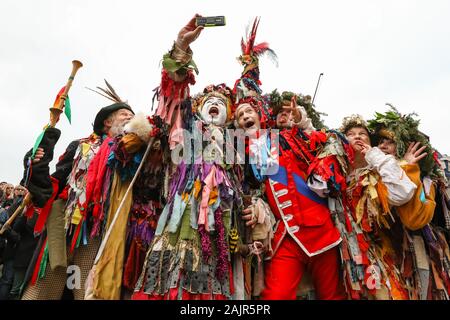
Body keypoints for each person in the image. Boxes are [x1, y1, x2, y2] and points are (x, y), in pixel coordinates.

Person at [20, 93, 135, 300]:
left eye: (131, 116)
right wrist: (36, 163)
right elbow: (55, 183)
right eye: (124, 113)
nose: (129, 117)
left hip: (99, 232)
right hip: (64, 225)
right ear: (107, 122)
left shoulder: (133, 156)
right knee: (43, 288)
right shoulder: (80, 146)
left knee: (89, 290)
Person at [338, 114, 417, 299]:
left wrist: (376, 157)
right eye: (350, 134)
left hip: (374, 255)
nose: (357, 136)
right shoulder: (334, 172)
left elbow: (403, 192)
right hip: (338, 255)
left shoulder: (378, 172)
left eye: (362, 134)